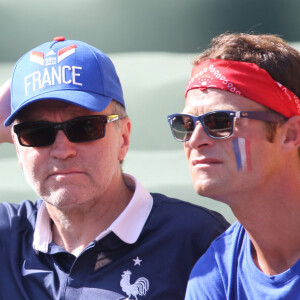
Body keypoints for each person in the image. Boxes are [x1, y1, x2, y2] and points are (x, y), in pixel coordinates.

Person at [0, 36, 229, 299]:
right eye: (36, 133)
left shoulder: (195, 238)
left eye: (86, 127)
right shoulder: (6, 233)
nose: (63, 151)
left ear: (124, 138)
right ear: (18, 148)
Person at [167, 32, 300, 299]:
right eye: (186, 124)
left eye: (220, 121)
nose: (195, 140)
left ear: (291, 134)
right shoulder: (215, 272)